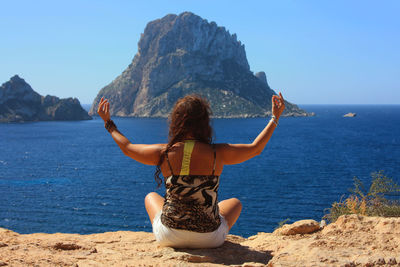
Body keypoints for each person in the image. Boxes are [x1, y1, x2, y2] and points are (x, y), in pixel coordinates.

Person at [97, 92, 285, 248]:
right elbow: (256, 148)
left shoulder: (163, 152)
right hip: (210, 239)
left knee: (150, 197)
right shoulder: (218, 152)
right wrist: (275, 118)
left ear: (176, 122)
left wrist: (109, 123)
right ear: (204, 123)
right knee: (235, 203)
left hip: (169, 236)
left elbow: (128, 148)